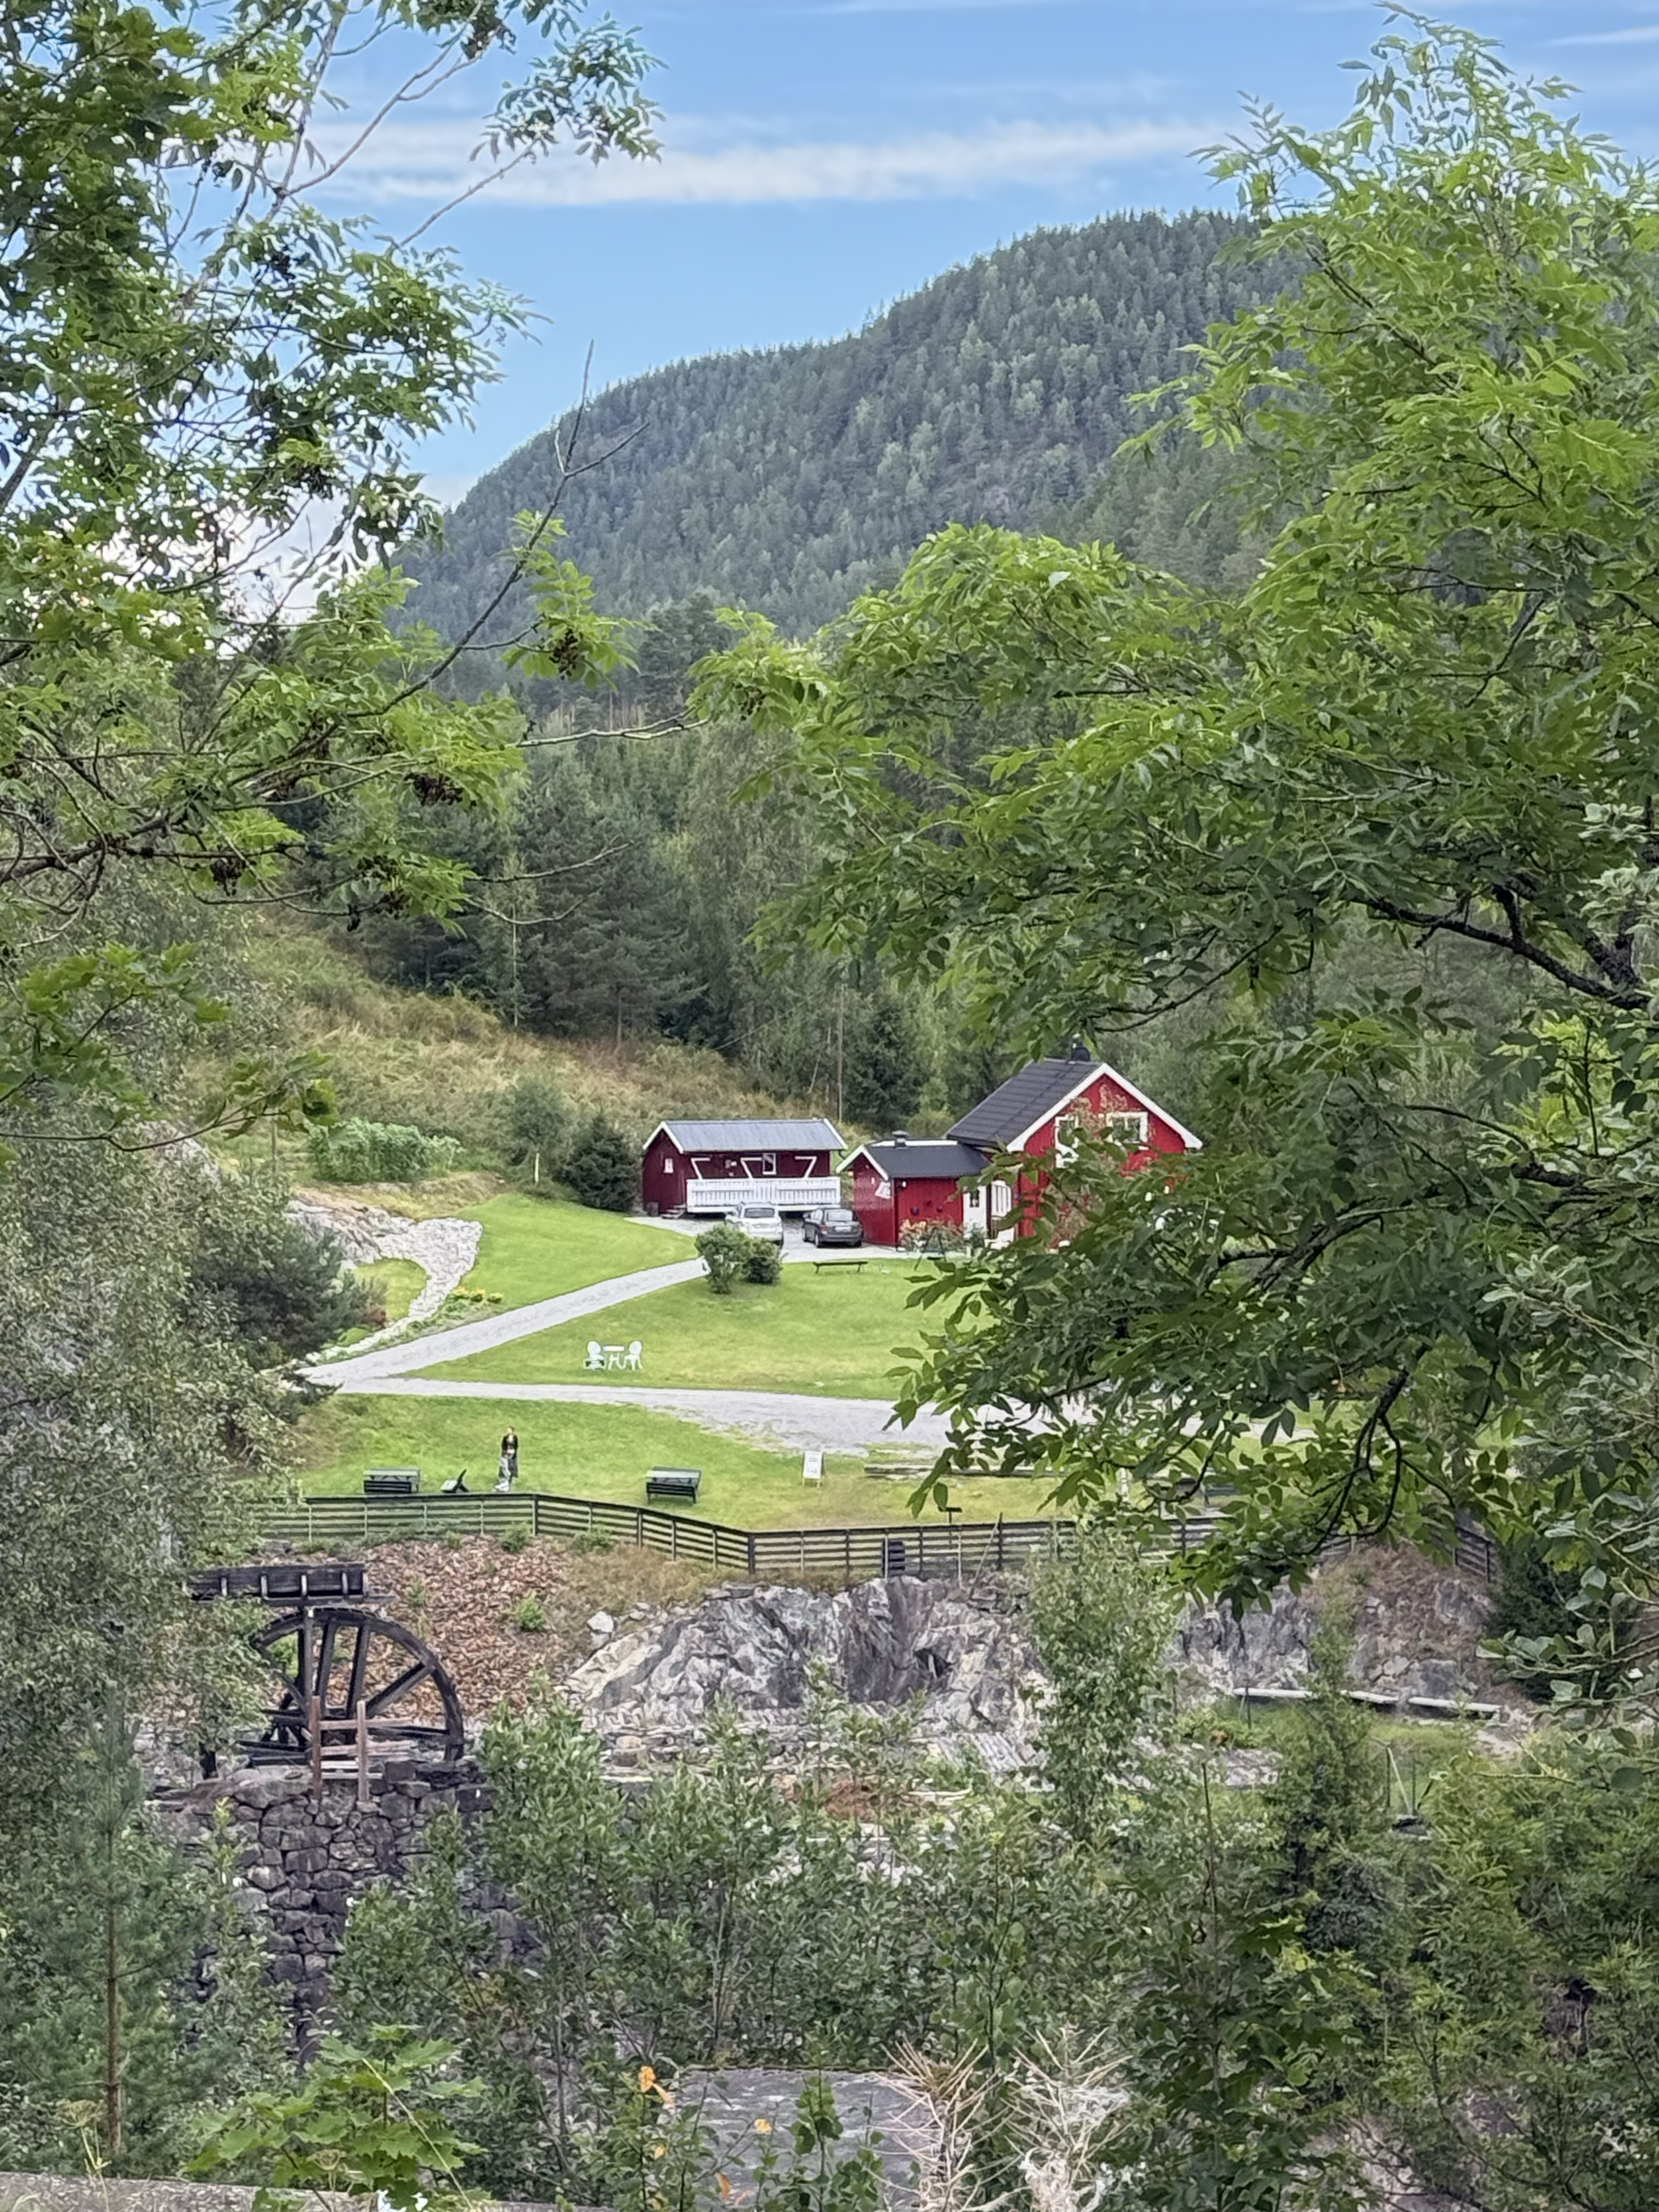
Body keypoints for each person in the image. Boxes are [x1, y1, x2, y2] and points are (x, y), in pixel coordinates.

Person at [498, 1426, 520, 1492]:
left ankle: (512, 1477)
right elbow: (503, 1446)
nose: (508, 1431)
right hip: (507, 1454)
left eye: (509, 1430)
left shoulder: (515, 1438)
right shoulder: (505, 1438)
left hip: (513, 1454)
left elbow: (516, 1446)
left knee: (512, 1465)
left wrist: (514, 1452)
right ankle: (505, 1479)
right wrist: (505, 1453)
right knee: (505, 1466)